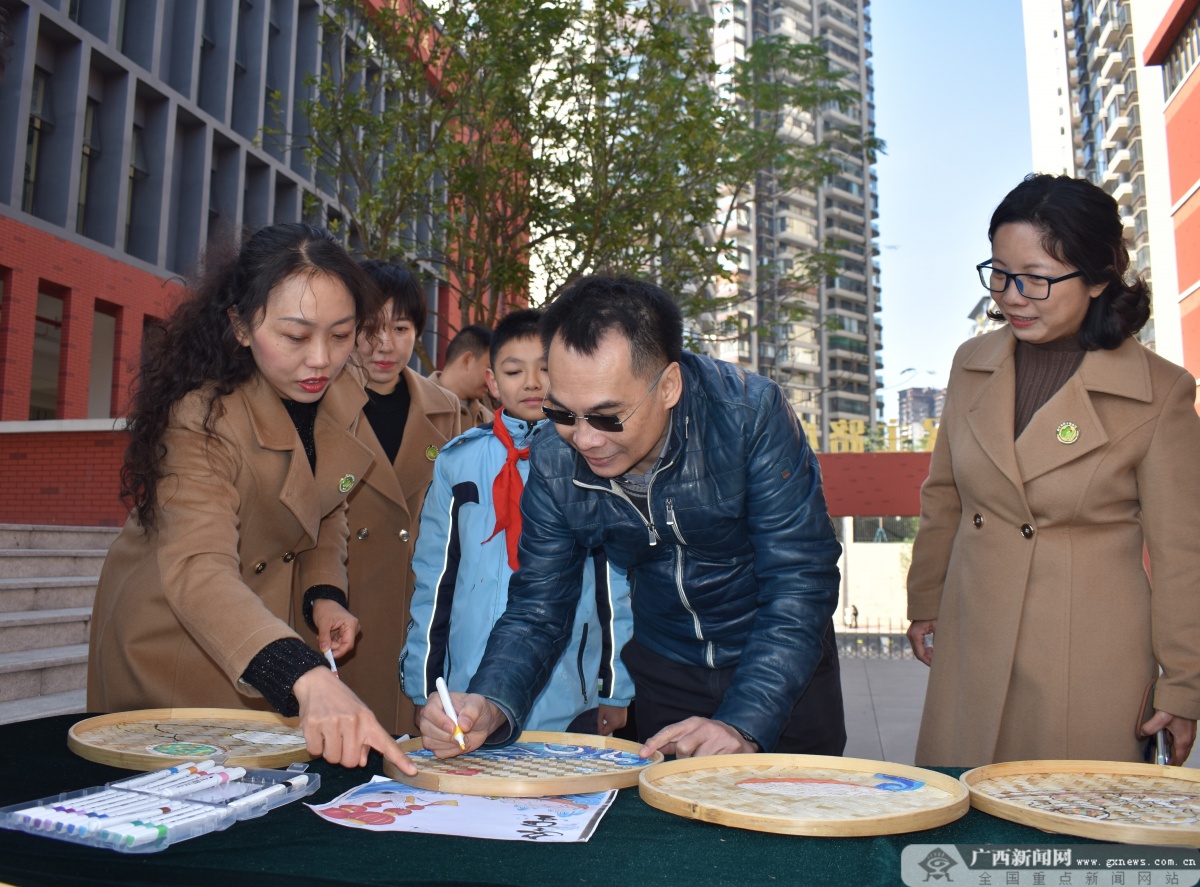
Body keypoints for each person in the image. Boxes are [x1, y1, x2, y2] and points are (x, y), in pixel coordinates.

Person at [418, 276, 845, 759]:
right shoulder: (552, 456)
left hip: (782, 664)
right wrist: (491, 702)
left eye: (606, 416)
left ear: (668, 386)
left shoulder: (750, 414)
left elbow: (799, 578)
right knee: (675, 824)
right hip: (666, 664)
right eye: (561, 413)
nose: (583, 440)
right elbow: (539, 605)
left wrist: (743, 723)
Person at [86, 223, 415, 774]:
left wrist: (325, 595)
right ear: (240, 324)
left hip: (262, 635)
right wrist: (301, 672)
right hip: (178, 643)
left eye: (340, 336)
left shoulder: (338, 398)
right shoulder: (201, 416)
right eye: (295, 336)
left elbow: (327, 506)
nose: (321, 360)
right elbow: (198, 570)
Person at [906, 174, 1200, 767]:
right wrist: (925, 597)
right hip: (974, 631)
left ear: (1096, 278)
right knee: (961, 829)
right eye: (1000, 273)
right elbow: (945, 495)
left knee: (1071, 833)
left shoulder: (1160, 392)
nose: (1012, 296)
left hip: (1089, 654)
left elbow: (1182, 551)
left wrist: (1185, 684)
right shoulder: (972, 363)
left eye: (1037, 278)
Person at [402, 309, 634, 734]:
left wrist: (615, 687)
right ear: (491, 381)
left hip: (569, 687)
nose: (530, 382)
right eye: (513, 370)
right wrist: (422, 687)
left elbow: (613, 581)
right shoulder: (459, 461)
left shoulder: (591, 457)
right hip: (466, 687)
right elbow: (434, 581)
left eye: (545, 369)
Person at [337, 260, 462, 735]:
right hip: (344, 605)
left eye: (402, 327)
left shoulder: (446, 409)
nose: (385, 344)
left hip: (417, 612)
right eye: (369, 328)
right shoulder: (320, 402)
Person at [431, 324, 494, 428]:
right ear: (467, 360)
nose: (493, 378)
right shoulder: (413, 404)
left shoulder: (489, 421)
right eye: (490, 368)